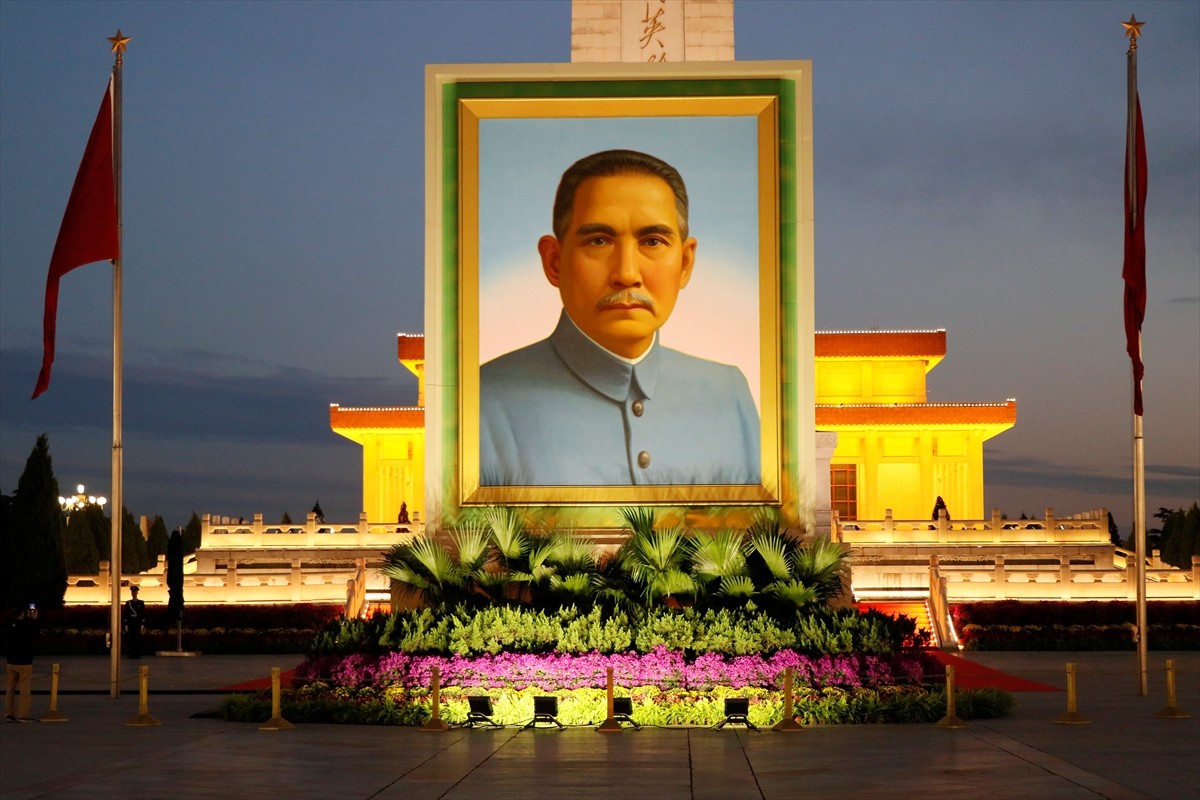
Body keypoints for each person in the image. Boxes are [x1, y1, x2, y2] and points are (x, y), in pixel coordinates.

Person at [480, 149, 760, 486]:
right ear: (554, 262)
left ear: (685, 263)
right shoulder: (483, 401)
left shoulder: (728, 394)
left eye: (653, 241)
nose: (627, 274)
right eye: (599, 241)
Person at [5, 605, 38, 722]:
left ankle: (9, 713)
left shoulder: (9, 625)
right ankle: (23, 715)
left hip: (11, 661)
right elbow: (33, 632)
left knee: (10, 689)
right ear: (22, 613)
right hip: (24, 661)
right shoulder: (26, 625)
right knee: (24, 689)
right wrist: (32, 619)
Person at [122, 585, 145, 658]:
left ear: (137, 593)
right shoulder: (128, 603)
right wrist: (126, 624)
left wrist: (142, 624)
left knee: (137, 639)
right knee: (131, 639)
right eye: (133, 592)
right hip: (130, 623)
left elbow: (142, 613)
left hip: (137, 623)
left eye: (135, 592)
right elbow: (126, 613)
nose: (134, 593)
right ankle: (131, 654)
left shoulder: (141, 603)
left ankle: (137, 654)